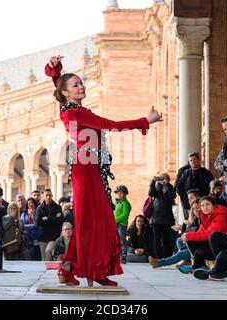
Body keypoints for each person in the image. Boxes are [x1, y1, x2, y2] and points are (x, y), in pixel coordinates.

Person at [45, 55, 162, 286]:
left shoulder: (67, 108)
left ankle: (72, 269)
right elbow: (113, 125)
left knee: (91, 223)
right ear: (67, 92)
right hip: (86, 171)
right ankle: (93, 272)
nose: (81, 86)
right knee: (95, 223)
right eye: (76, 84)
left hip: (88, 169)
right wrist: (145, 121)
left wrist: (55, 69)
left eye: (81, 82)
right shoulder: (78, 113)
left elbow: (58, 84)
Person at [181, 196, 227, 279]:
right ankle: (200, 267)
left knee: (199, 251)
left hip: (219, 249)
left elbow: (208, 234)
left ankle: (196, 267)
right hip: (210, 245)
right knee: (190, 241)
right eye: (202, 206)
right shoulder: (205, 217)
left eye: (207, 204)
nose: (205, 207)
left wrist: (189, 235)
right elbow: (200, 233)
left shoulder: (220, 216)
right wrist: (187, 235)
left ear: (214, 205)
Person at [148, 173, 177, 259]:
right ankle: (158, 258)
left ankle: (166, 257)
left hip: (167, 218)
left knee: (166, 239)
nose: (162, 180)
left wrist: (167, 184)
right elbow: (150, 193)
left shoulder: (170, 187)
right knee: (156, 239)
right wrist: (153, 181)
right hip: (156, 218)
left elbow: (172, 195)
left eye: (165, 178)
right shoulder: (156, 188)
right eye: (161, 179)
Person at [35, 189, 64, 262]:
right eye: (46, 195)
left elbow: (59, 220)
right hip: (42, 236)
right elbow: (38, 222)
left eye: (50, 195)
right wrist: (53, 219)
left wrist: (47, 218)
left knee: (48, 251)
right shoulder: (39, 208)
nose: (48, 197)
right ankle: (45, 271)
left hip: (54, 236)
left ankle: (49, 270)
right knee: (44, 258)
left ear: (52, 196)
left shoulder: (57, 207)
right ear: (43, 196)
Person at [114, 185, 131, 264]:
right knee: (115, 240)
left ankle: (123, 256)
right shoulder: (116, 202)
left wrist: (114, 220)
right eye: (118, 193)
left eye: (121, 193)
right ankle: (116, 255)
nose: (119, 194)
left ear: (125, 194)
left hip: (122, 224)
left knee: (122, 240)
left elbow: (125, 215)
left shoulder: (126, 204)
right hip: (115, 224)